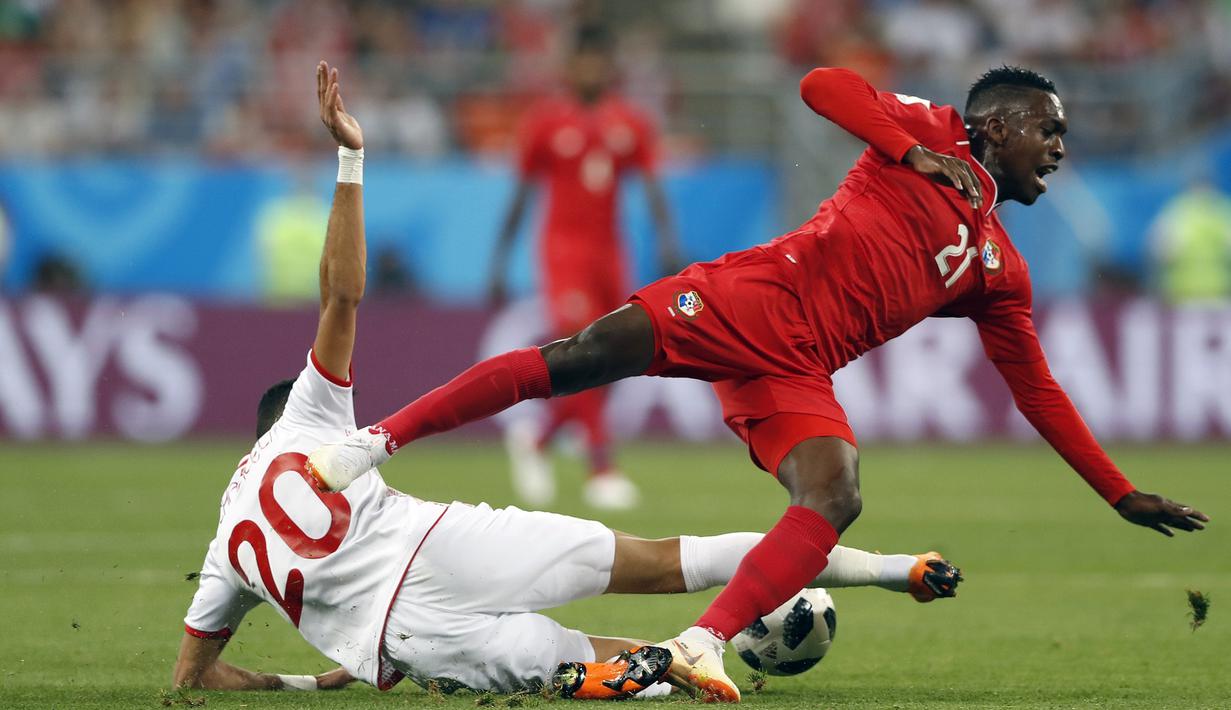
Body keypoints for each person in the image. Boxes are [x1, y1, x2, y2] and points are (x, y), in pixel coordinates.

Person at [307, 64, 1210, 702]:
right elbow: (823, 83)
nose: (1058, 147)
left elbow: (1038, 392)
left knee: (835, 491)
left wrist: (1119, 492)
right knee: (573, 360)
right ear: (998, 125)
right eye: (1048, 128)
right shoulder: (931, 132)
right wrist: (907, 151)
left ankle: (700, 643)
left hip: (793, 370)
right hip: (746, 296)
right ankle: (372, 442)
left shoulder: (998, 271)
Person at [172, 61, 963, 701]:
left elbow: (192, 681)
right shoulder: (308, 422)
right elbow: (342, 294)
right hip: (449, 540)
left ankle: (655, 660)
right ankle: (891, 571)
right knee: (660, 558)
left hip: (399, 632)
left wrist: (312, 680)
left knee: (609, 670)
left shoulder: (224, 551)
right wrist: (351, 155)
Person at [488, 24, 680, 510]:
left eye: (598, 61)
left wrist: (667, 242)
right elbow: (521, 194)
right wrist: (499, 258)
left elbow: (653, 186)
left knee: (615, 355)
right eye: (583, 62)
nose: (590, 70)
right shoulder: (547, 122)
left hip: (609, 252)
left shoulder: (629, 122)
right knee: (579, 337)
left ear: (608, 66)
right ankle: (601, 467)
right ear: (570, 67)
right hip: (563, 249)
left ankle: (537, 441)